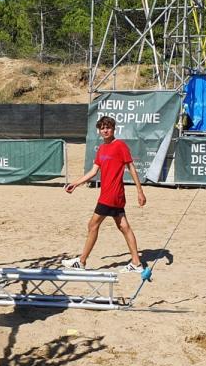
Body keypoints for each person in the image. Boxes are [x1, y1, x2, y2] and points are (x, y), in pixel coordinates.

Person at [61, 115, 146, 272]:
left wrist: (140, 191)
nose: (105, 130)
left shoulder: (120, 145)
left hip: (112, 195)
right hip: (111, 195)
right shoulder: (101, 148)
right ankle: (136, 263)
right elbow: (93, 171)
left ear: (113, 129)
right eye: (102, 128)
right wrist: (76, 184)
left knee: (92, 225)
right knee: (124, 226)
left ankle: (81, 261)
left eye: (108, 127)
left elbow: (131, 168)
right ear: (99, 131)